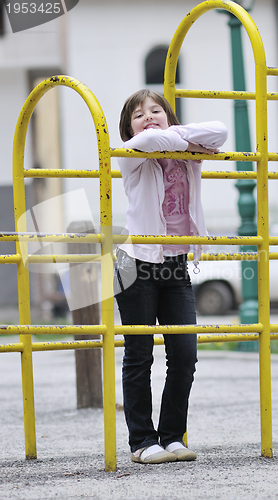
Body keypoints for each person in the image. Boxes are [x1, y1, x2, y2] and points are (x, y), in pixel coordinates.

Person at [114, 89, 228, 464]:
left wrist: (183, 138)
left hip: (174, 262)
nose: (148, 117)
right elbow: (147, 140)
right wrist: (188, 142)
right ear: (127, 130)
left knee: (184, 353)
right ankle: (143, 443)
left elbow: (221, 130)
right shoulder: (133, 155)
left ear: (170, 116)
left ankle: (172, 436)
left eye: (156, 110)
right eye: (138, 114)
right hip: (134, 260)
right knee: (139, 355)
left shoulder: (184, 151)